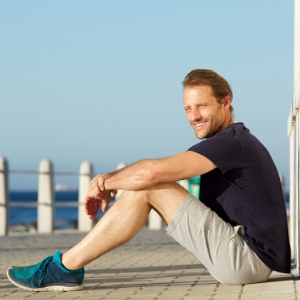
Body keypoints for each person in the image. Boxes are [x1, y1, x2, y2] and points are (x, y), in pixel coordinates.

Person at [7, 69, 290, 291]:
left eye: (201, 106)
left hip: (246, 262)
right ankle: (65, 266)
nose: (194, 116)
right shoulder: (231, 142)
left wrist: (105, 181)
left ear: (225, 102)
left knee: (150, 185)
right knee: (145, 184)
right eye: (188, 109)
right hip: (246, 259)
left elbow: (153, 173)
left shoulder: (231, 143)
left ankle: (63, 267)